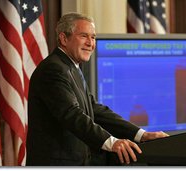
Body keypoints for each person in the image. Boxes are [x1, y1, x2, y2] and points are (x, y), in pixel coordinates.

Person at [26, 12, 168, 166]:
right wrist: (111, 142)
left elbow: (94, 109)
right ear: (64, 38)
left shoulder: (71, 67)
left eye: (93, 37)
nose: (90, 43)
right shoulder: (53, 69)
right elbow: (71, 114)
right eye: (84, 36)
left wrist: (141, 135)